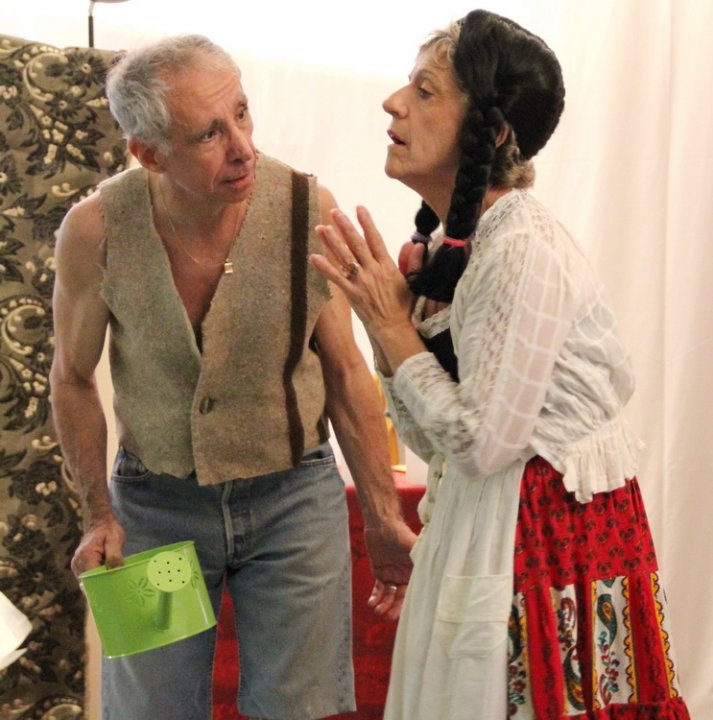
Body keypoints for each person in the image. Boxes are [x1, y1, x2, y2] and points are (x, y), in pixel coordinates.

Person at [309, 10, 691, 720]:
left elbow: (482, 442)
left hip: (548, 533)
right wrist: (391, 333)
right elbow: (434, 441)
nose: (393, 102)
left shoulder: (521, 247)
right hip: (492, 518)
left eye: (425, 91)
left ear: (491, 132)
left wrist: (392, 328)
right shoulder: (463, 247)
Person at [49, 34, 416, 720]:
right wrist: (99, 514)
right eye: (209, 134)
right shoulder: (96, 229)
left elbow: (345, 369)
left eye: (241, 114)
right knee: (152, 711)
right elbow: (71, 377)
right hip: (154, 508)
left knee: (298, 709)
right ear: (149, 153)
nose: (243, 146)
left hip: (293, 502)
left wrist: (382, 515)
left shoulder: (306, 207)